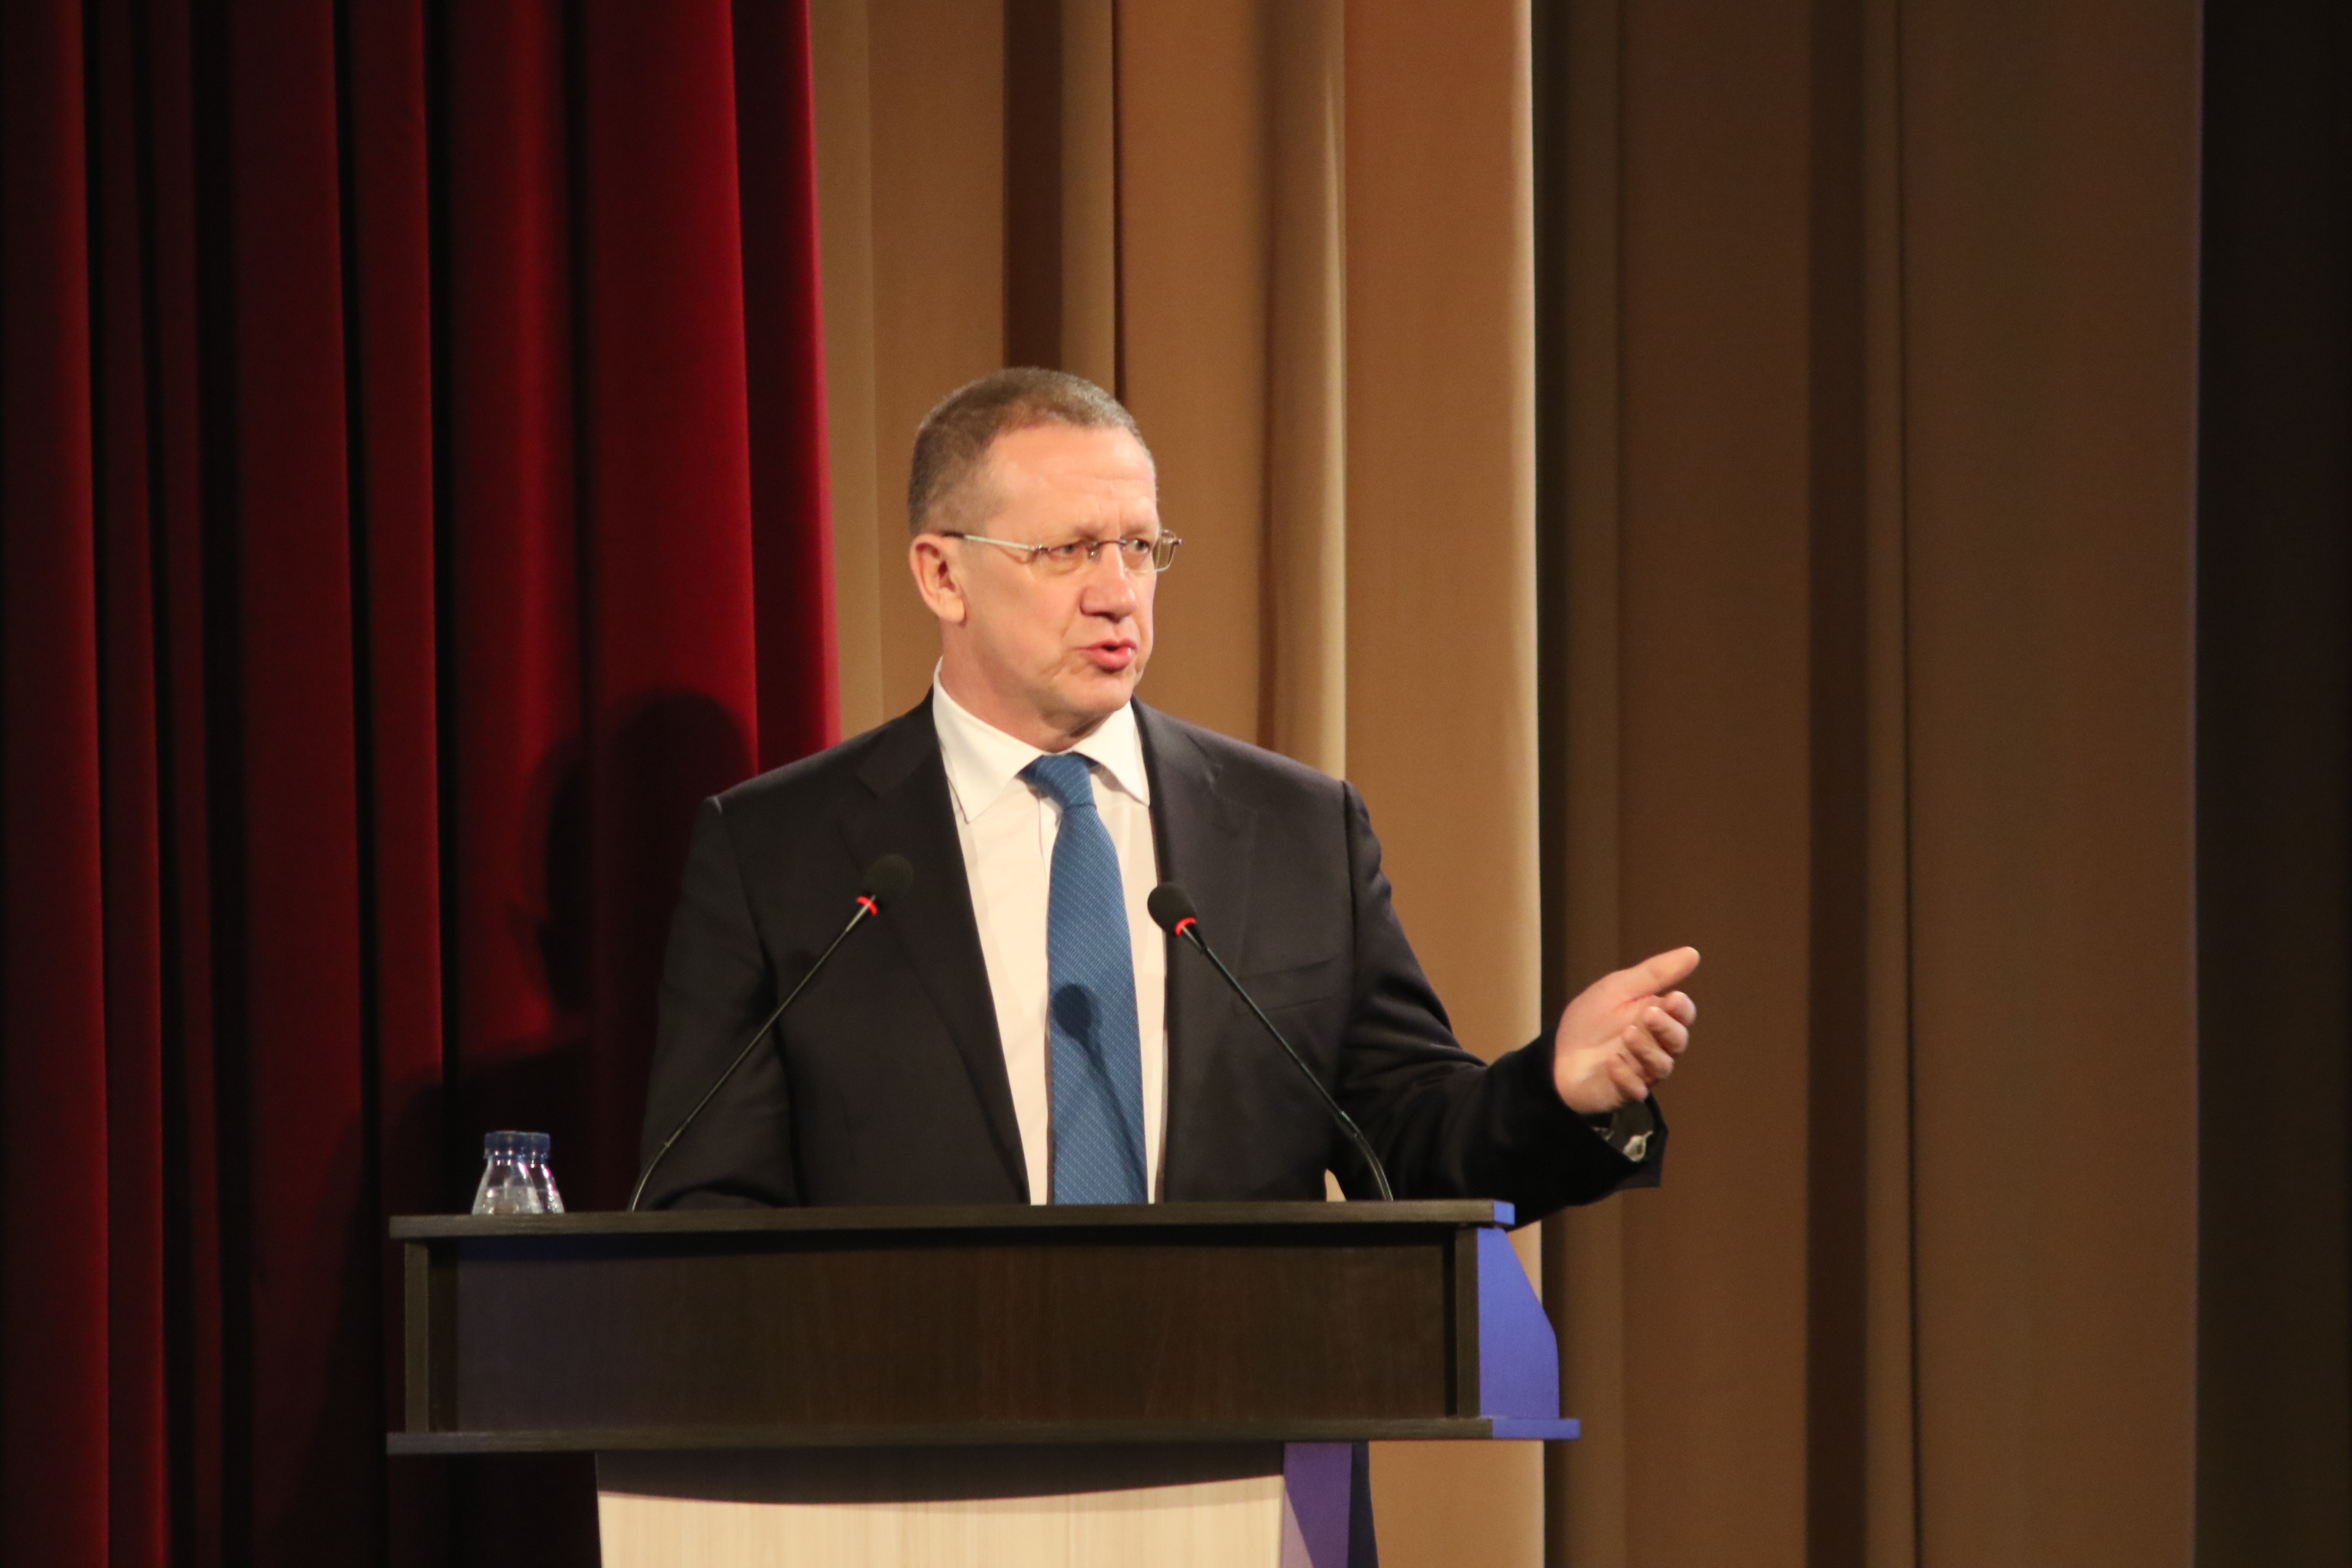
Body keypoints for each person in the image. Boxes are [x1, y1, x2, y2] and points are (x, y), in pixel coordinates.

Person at [636, 368, 1697, 1212]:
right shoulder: (779, 854)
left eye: (1139, 548)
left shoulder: (1296, 832)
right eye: (1067, 551)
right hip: (907, 1418)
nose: (1117, 594)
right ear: (942, 575)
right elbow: (709, 1202)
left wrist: (1556, 1090)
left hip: (1236, 1411)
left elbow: (1412, 1143)